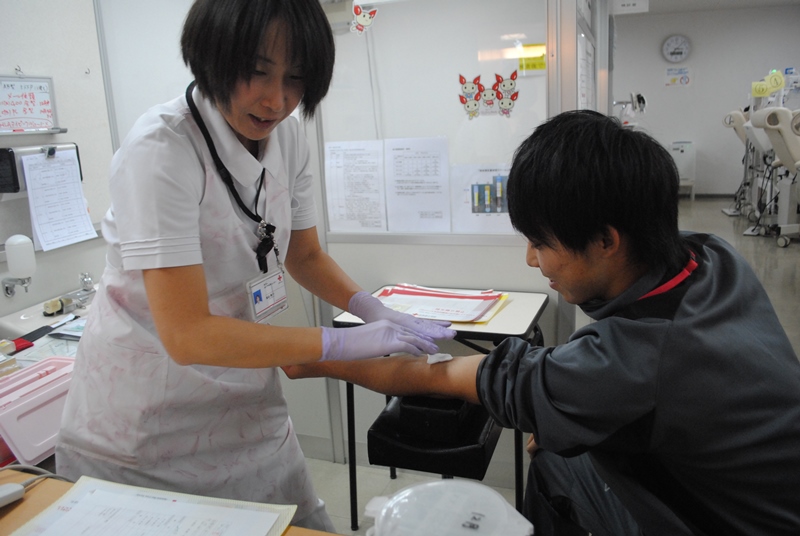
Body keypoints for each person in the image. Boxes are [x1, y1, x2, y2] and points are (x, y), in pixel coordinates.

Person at [283, 110, 800, 535]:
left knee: (557, 462)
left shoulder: (626, 363)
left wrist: (323, 357)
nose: (531, 260)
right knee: (561, 457)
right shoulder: (711, 257)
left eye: (540, 243)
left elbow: (432, 376)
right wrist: (571, 413)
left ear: (606, 240)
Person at [55, 0, 454, 531]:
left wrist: (369, 307)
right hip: (143, 423)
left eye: (296, 78)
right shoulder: (162, 149)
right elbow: (187, 334)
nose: (277, 100)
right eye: (257, 71)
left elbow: (303, 254)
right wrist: (335, 342)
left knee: (300, 522)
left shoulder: (287, 136)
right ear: (211, 57)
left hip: (242, 397)